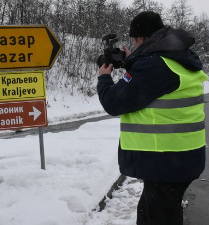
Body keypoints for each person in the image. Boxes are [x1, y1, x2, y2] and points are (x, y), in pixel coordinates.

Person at [97, 11, 207, 225]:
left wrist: (103, 79)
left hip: (166, 161)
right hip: (178, 158)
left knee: (158, 217)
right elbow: (150, 87)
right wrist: (135, 63)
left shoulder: (155, 65)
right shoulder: (175, 58)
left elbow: (114, 102)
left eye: (134, 41)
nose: (133, 45)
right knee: (151, 213)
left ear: (143, 39)